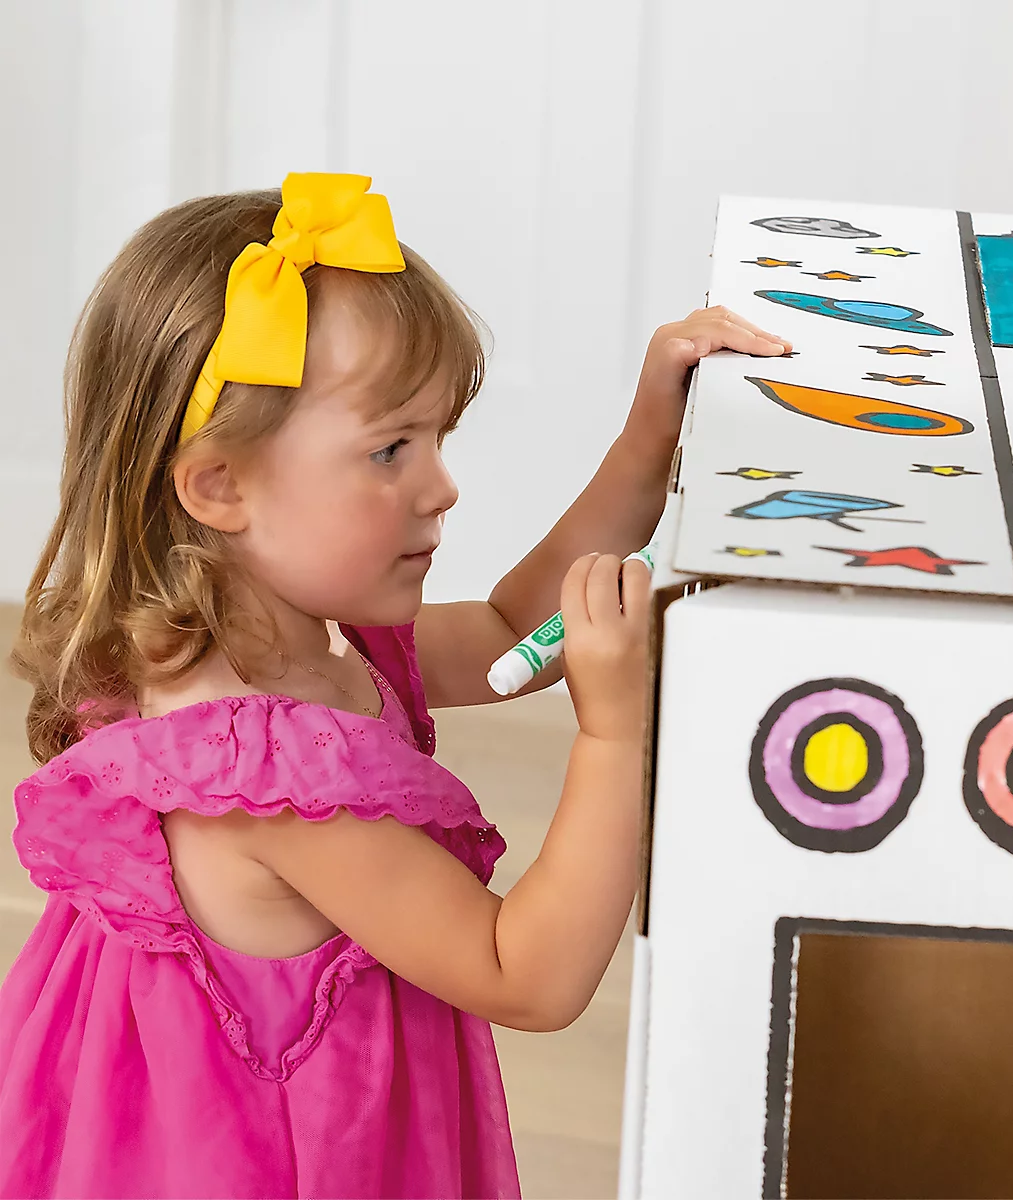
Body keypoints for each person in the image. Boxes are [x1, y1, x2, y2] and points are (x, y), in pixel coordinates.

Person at [0, 173, 789, 1198]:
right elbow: (528, 974)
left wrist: (651, 432)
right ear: (221, 486)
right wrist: (614, 733)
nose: (441, 484)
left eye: (436, 440)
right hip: (268, 1163)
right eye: (389, 450)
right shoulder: (267, 779)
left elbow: (513, 626)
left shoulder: (310, 646)